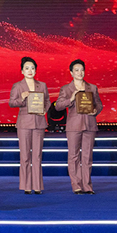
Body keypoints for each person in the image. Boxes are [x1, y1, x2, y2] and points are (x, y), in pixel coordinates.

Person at [55, 59, 103, 194]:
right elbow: (58, 106)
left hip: (90, 124)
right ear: (71, 73)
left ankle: (87, 186)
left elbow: (99, 104)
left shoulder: (92, 87)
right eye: (76, 70)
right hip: (73, 126)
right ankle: (76, 185)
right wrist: (71, 99)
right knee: (74, 156)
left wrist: (95, 110)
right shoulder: (66, 88)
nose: (80, 72)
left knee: (87, 156)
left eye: (82, 70)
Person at [9, 56, 50, 194]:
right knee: (25, 156)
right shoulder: (18, 86)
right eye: (27, 68)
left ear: (36, 70)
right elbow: (12, 102)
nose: (30, 70)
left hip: (39, 123)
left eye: (32, 68)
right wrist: (22, 97)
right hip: (24, 123)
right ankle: (26, 185)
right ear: (22, 71)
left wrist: (45, 109)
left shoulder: (42, 85)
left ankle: (37, 185)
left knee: (37, 156)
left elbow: (47, 101)